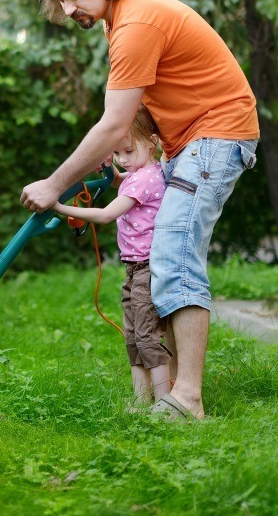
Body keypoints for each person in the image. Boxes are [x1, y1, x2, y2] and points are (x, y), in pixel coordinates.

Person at [19, 0, 259, 421]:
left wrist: (54, 184)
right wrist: (126, 153)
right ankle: (174, 390)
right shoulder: (119, 18)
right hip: (188, 142)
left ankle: (187, 398)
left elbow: (113, 123)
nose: (68, 9)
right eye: (60, 0)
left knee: (173, 256)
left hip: (217, 136)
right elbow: (131, 115)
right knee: (165, 257)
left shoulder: (136, 24)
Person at [52, 107, 173, 411]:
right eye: (117, 153)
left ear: (152, 142)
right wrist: (112, 173)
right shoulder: (140, 175)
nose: (122, 158)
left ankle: (164, 403)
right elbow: (124, 181)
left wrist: (59, 207)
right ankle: (140, 401)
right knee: (133, 335)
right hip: (134, 268)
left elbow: (106, 215)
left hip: (148, 269)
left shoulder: (147, 178)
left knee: (146, 336)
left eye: (128, 151)